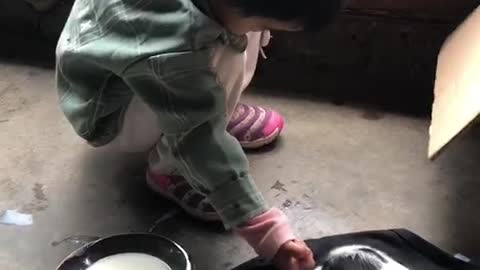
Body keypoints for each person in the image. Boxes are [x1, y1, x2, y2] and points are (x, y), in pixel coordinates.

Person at [56, 0, 343, 269]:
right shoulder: (177, 49)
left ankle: (209, 105)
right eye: (260, 24)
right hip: (107, 113)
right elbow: (199, 140)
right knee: (222, 51)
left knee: (234, 28)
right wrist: (265, 229)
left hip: (122, 62)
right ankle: (171, 168)